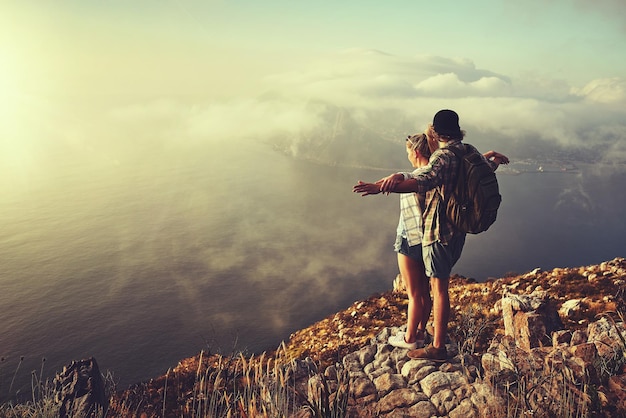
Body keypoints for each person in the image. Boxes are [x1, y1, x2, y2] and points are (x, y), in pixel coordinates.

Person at [354, 109, 509, 362]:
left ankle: (437, 347)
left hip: (439, 232)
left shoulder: (443, 157)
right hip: (459, 229)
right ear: (458, 129)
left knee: (439, 289)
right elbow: (479, 173)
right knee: (438, 287)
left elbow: (421, 180)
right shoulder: (468, 150)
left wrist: (378, 188)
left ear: (436, 133)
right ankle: (434, 333)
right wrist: (492, 159)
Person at [353, 133, 433, 349]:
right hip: (428, 240)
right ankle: (420, 331)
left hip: (409, 240)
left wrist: (379, 187)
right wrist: (392, 177)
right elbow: (405, 177)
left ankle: (409, 340)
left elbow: (401, 182)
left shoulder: (416, 180)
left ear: (415, 152)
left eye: (408, 151)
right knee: (425, 292)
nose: (407, 155)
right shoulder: (434, 175)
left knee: (414, 294)